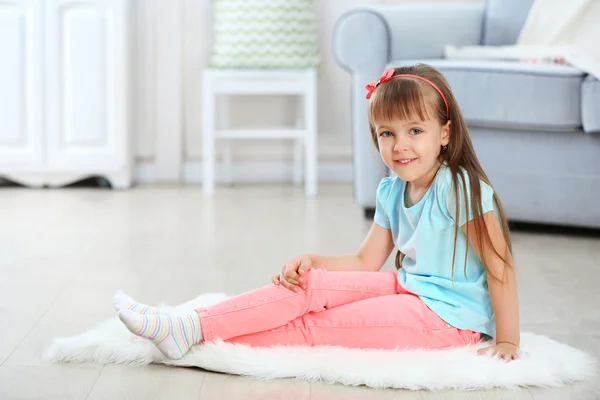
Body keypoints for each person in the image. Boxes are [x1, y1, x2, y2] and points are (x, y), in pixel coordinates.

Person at [115, 64, 520, 362]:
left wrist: (507, 341)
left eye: (415, 131)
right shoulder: (392, 188)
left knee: (320, 327)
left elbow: (500, 268)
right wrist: (313, 261)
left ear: (444, 134)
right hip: (409, 287)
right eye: (387, 133)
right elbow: (366, 261)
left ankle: (200, 342)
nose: (401, 146)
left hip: (449, 319)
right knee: (311, 288)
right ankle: (189, 325)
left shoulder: (461, 188)